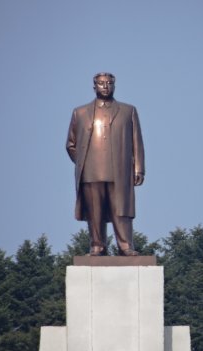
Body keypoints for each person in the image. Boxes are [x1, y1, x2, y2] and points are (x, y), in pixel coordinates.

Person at [66, 72, 145, 256]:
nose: (105, 86)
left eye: (109, 83)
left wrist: (139, 168)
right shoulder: (80, 112)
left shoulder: (128, 111)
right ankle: (97, 245)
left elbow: (137, 142)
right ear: (94, 86)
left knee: (121, 209)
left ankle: (125, 245)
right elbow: (71, 144)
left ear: (114, 86)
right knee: (95, 211)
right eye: (101, 83)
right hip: (91, 171)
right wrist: (82, 162)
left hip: (120, 170)